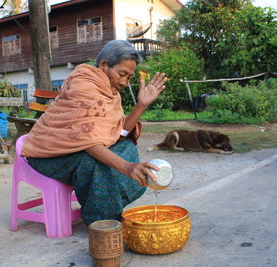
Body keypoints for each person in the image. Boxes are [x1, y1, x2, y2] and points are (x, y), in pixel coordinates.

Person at [21, 40, 168, 224]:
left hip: (76, 149)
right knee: (98, 163)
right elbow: (88, 142)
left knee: (126, 147)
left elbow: (120, 133)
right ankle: (101, 221)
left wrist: (142, 105)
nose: (124, 82)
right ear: (104, 65)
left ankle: (102, 208)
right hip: (49, 156)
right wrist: (127, 168)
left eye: (129, 78)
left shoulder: (110, 92)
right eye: (122, 74)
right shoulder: (84, 85)